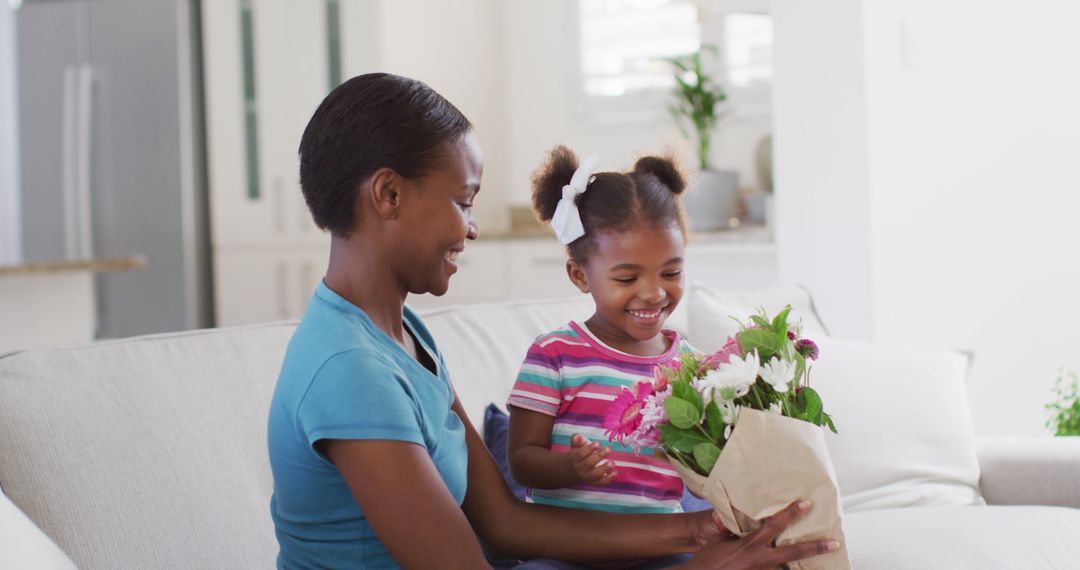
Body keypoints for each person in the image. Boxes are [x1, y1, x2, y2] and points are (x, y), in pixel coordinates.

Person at [266, 72, 840, 569]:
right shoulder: (351, 370)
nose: (473, 228)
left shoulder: (403, 335)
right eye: (464, 201)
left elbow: (505, 524)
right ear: (388, 194)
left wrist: (698, 533)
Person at [505, 148, 696, 569]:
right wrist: (571, 467)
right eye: (627, 278)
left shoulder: (692, 367)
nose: (654, 293)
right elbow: (521, 461)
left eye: (671, 272)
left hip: (659, 550)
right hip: (567, 551)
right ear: (579, 275)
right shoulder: (555, 355)